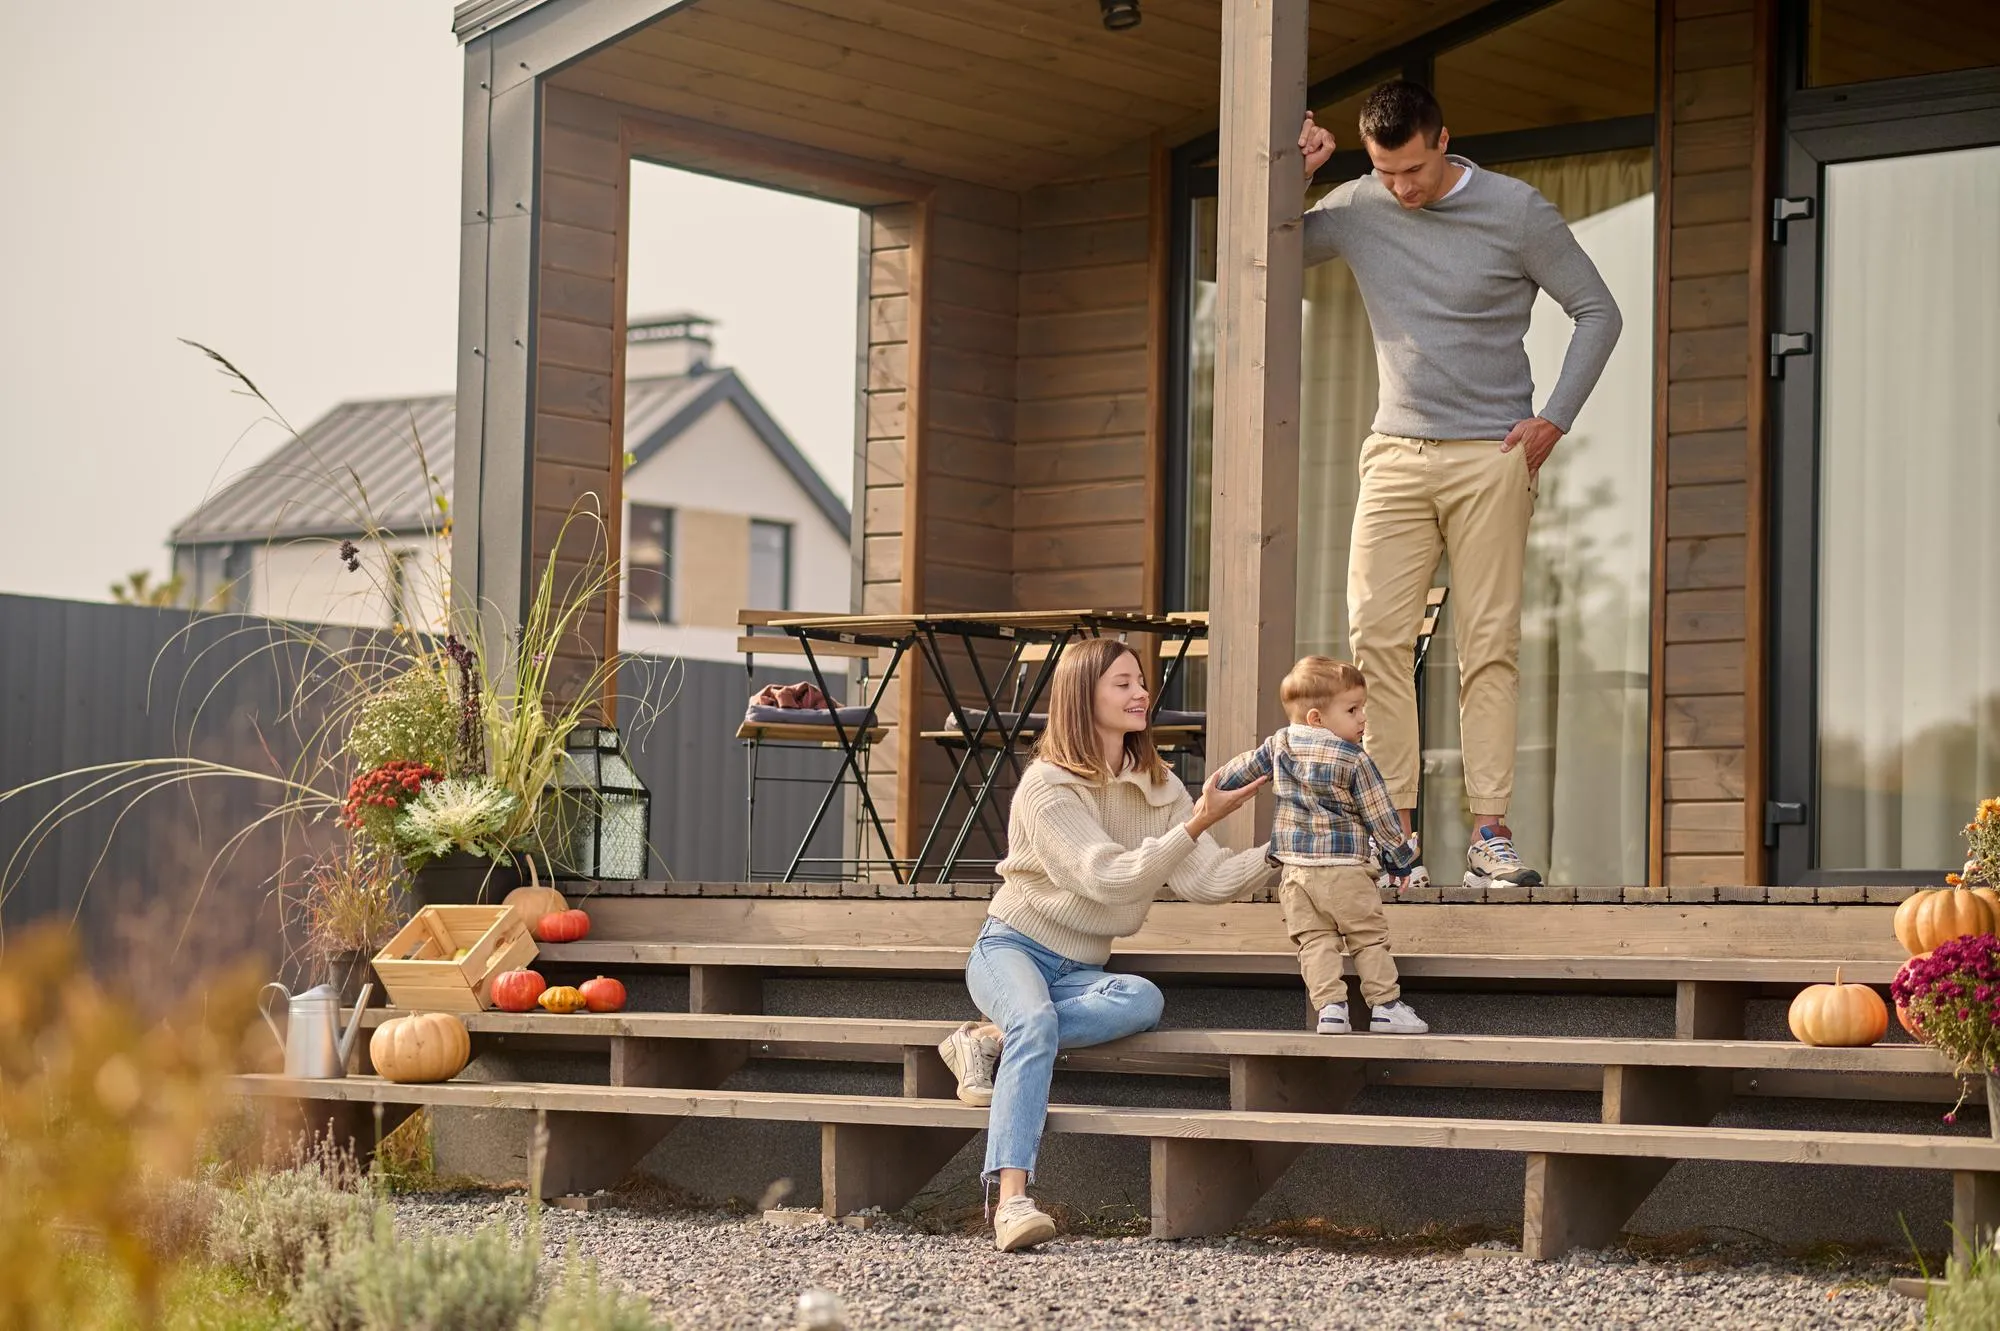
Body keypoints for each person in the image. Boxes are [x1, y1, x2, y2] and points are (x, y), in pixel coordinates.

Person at [1297, 80, 1623, 892]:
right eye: (1385, 171)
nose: (1400, 189)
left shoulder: (1517, 212)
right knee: (1375, 644)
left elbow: (1598, 311)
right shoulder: (1360, 203)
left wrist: (1553, 419)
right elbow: (1265, 248)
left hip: (1491, 453)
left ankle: (1490, 835)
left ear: (1444, 140)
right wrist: (1292, 175)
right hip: (1394, 453)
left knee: (1488, 646)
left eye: (1411, 169)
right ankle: (1394, 839)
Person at [934, 636, 1273, 1253]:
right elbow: (1104, 875)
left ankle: (986, 1038)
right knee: (1034, 1019)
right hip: (1012, 947)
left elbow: (1206, 880)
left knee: (1141, 999)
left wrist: (1287, 852)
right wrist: (1199, 820)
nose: (1141, 693)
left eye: (1140, 682)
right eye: (1122, 683)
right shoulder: (1047, 786)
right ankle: (1011, 1200)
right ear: (1081, 695)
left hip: (1084, 968)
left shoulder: (1158, 786)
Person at [1212, 656, 1428, 1036]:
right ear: (1316, 718)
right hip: (1345, 870)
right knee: (1367, 938)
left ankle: (1330, 1010)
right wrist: (1399, 859)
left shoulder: (1279, 744)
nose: (1363, 718)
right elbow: (1379, 814)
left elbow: (1239, 771)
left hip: (1295, 874)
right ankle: (1385, 1006)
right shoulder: (1354, 758)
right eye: (1353, 709)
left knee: (1314, 941)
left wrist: (1214, 787)